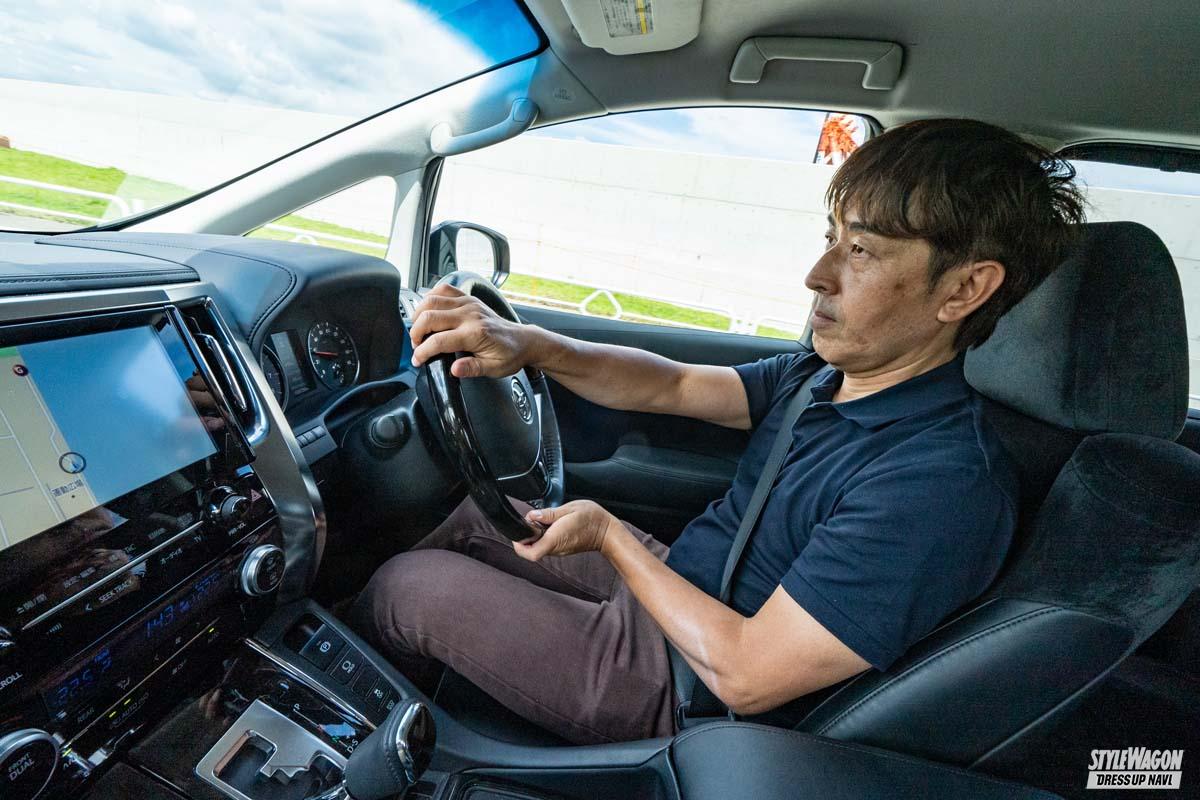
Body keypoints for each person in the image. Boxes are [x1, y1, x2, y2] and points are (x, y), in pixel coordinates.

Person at [352, 118, 1085, 744]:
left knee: (405, 588)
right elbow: (670, 383)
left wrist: (610, 537)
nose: (817, 273)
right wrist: (530, 343)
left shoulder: (940, 483)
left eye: (860, 251)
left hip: (688, 684)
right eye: (830, 238)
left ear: (963, 289)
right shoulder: (821, 377)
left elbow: (748, 674)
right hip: (684, 586)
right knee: (472, 518)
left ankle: (380, 751)